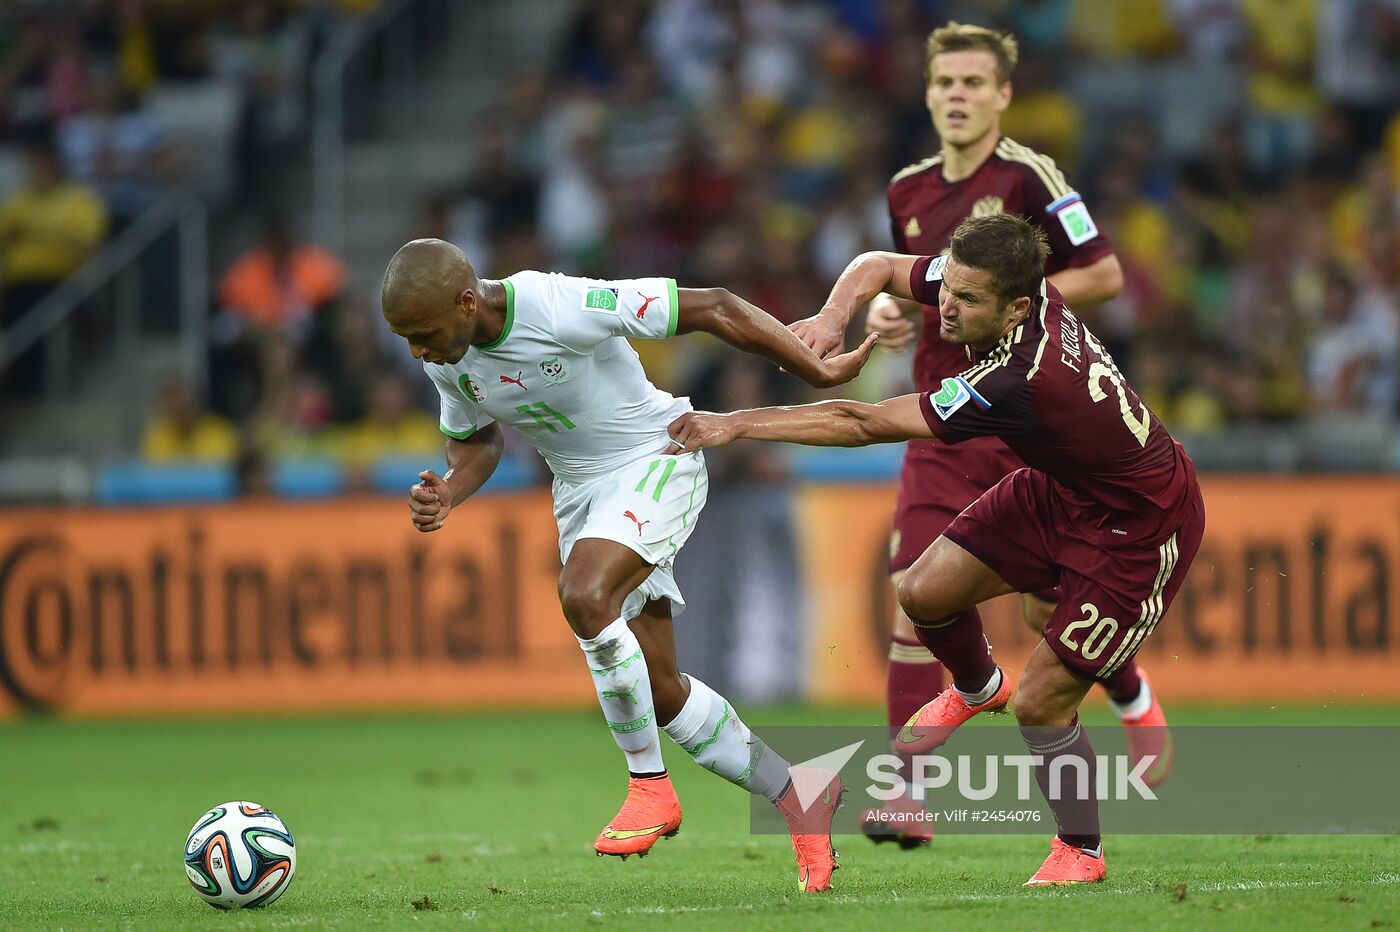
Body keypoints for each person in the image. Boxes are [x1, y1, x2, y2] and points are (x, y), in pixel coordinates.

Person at [671, 214, 1206, 886]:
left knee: (1042, 702)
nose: (946, 308)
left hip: (1139, 528)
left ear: (1014, 307)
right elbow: (879, 264)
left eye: (967, 300)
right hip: (1061, 491)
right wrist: (835, 316)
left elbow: (861, 421)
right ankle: (979, 686)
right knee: (922, 591)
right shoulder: (1020, 292)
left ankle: (1081, 849)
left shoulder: (1023, 379)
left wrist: (735, 423)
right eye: (946, 288)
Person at [381, 238, 877, 892]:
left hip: (655, 455)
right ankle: (800, 795)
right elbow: (476, 439)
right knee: (661, 692)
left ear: (467, 301)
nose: (417, 351)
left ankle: (649, 787)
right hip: (582, 495)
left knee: (585, 595)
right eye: (407, 339)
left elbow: (715, 307)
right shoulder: (448, 356)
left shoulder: (559, 305)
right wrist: (451, 487)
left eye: (422, 334)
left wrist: (815, 369)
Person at [790, 21, 1170, 851]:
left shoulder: (1030, 175)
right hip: (939, 420)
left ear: (1003, 95)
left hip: (1021, 424)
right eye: (945, 83)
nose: (957, 96)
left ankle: (1132, 691)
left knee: (1045, 610)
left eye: (974, 83)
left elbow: (1103, 272)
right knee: (912, 598)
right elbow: (913, 283)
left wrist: (1002, 304)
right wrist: (899, 309)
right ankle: (908, 793)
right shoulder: (907, 190)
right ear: (927, 94)